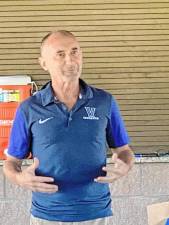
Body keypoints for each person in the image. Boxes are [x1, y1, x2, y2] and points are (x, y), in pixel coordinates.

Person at [3, 30, 134, 225]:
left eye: (75, 52)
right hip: (47, 215)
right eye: (60, 54)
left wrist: (124, 166)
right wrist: (19, 179)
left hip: (95, 213)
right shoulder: (29, 108)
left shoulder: (104, 101)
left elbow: (124, 150)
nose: (70, 60)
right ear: (44, 63)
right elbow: (11, 162)